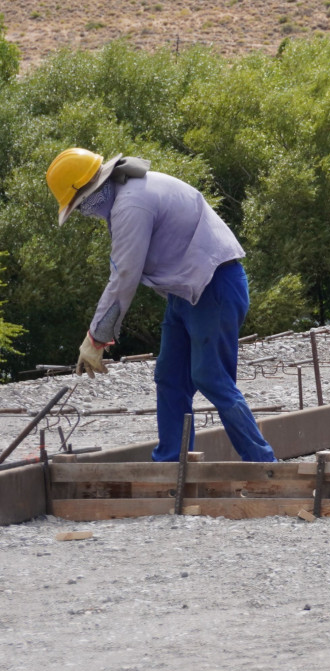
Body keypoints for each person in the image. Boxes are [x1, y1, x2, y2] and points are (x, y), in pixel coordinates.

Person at [46, 148, 277, 463]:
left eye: (79, 205)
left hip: (215, 287)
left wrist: (96, 338)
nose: (84, 211)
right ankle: (170, 464)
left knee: (210, 377)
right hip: (186, 293)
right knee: (170, 378)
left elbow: (125, 275)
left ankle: (263, 463)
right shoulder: (129, 193)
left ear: (90, 190)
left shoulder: (130, 204)